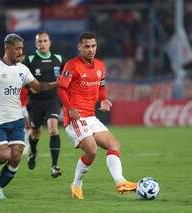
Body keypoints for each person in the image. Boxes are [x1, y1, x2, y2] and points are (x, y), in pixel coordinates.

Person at [0, 33, 57, 200]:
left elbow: (38, 86)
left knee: (16, 157)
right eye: (17, 48)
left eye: (22, 49)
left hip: (16, 121)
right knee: (3, 156)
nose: (20, 52)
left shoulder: (22, 70)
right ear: (7, 48)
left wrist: (57, 83)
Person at [57, 32, 137, 200]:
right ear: (79, 47)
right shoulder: (72, 66)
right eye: (87, 46)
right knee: (92, 150)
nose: (91, 49)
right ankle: (76, 184)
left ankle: (120, 182)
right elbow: (61, 89)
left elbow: (101, 86)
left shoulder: (100, 65)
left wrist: (104, 99)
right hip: (76, 117)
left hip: (91, 116)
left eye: (93, 46)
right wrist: (70, 108)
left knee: (114, 144)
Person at [22, 32, 64, 178]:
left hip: (52, 100)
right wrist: (29, 87)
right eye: (39, 42)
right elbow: (20, 76)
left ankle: (54, 166)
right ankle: (33, 152)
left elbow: (66, 77)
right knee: (35, 133)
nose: (42, 44)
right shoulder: (30, 59)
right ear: (36, 44)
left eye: (45, 41)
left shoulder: (58, 59)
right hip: (35, 102)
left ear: (50, 43)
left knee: (53, 129)